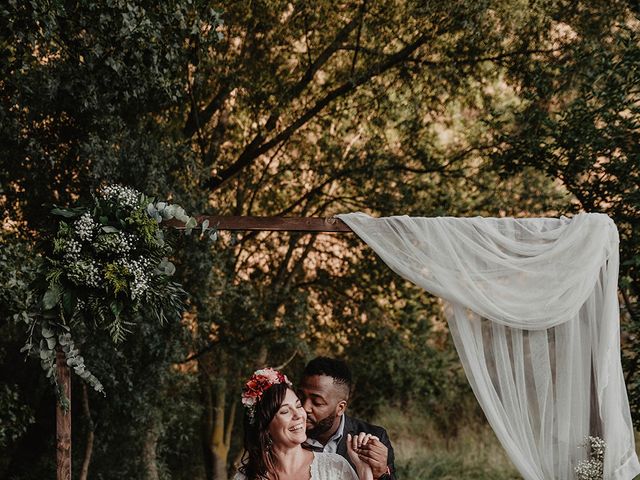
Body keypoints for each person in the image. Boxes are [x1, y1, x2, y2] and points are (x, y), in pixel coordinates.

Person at [234, 367, 375, 480]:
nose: (299, 415)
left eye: (298, 405)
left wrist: (364, 472)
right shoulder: (246, 477)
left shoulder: (334, 467)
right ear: (265, 426)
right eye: (285, 412)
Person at [299, 357, 396, 480]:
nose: (304, 407)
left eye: (317, 402)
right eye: (300, 397)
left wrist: (380, 473)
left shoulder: (374, 437)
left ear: (340, 408)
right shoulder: (285, 436)